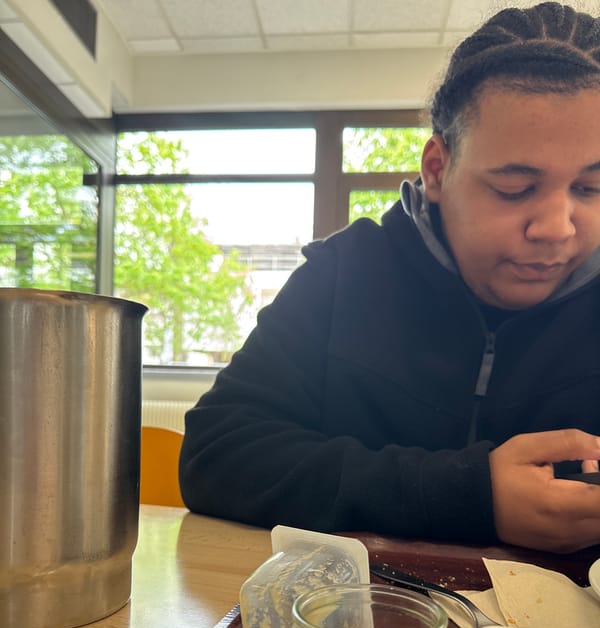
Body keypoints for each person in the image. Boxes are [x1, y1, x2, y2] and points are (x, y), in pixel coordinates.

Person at [180, 1, 600, 554]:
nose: (555, 227)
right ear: (437, 169)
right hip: (352, 623)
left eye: (590, 189)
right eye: (514, 189)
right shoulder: (342, 275)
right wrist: (469, 494)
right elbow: (218, 455)